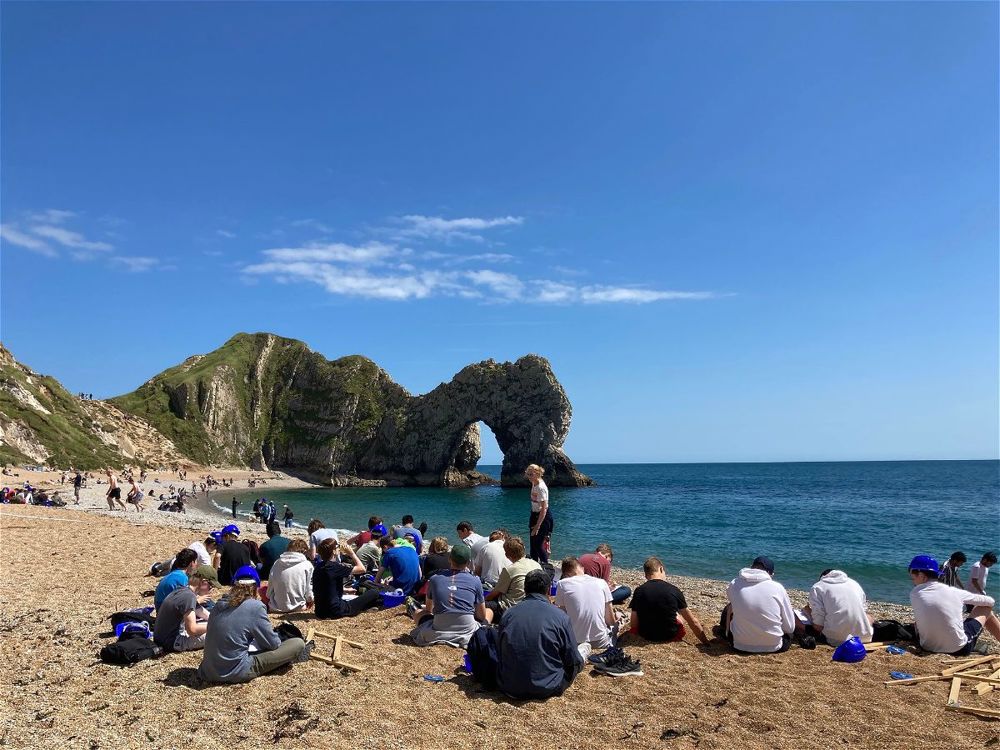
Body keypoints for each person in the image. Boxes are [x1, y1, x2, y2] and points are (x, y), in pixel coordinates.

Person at [197, 566, 306, 684]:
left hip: (207, 671)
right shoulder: (255, 607)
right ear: (254, 587)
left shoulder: (220, 604)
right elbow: (272, 644)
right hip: (235, 671)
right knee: (297, 643)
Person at [496, 570, 583, 699]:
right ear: (548, 590)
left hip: (510, 685)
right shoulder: (560, 617)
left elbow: (500, 650)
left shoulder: (509, 613)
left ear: (525, 589)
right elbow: (573, 659)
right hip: (547, 687)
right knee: (578, 656)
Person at [908, 555, 1000, 655]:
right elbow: (990, 601)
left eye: (913, 578)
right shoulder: (954, 592)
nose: (912, 581)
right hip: (958, 649)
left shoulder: (914, 593)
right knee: (985, 609)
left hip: (926, 646)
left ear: (921, 576)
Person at [408, 544, 487, 648]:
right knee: (488, 612)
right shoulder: (475, 580)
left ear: (450, 559)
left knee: (419, 612)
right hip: (467, 629)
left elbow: (429, 609)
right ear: (468, 563)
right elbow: (481, 616)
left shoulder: (434, 579)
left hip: (439, 628)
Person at [723, 556, 796, 654]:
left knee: (730, 607)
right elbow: (790, 627)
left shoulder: (734, 583)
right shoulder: (778, 588)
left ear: (751, 568)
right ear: (771, 574)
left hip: (740, 645)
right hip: (773, 646)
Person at [629, 556, 709, 645]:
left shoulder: (639, 590)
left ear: (646, 575)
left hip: (646, 634)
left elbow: (634, 616)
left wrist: (634, 633)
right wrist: (705, 642)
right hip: (669, 635)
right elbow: (693, 621)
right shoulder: (674, 590)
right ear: (661, 569)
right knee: (678, 613)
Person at [554, 556, 616, 656]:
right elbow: (610, 620)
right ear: (582, 568)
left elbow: (562, 617)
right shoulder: (601, 583)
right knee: (616, 624)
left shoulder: (562, 584)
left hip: (575, 640)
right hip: (600, 641)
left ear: (565, 574)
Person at [153, 565, 221, 652]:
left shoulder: (183, 589)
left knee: (211, 625)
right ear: (204, 582)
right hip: (171, 642)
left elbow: (201, 611)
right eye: (211, 586)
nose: (211, 590)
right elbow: (192, 629)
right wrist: (216, 625)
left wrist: (217, 620)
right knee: (218, 634)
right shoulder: (189, 597)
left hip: (162, 637)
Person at [313, 537, 381, 618]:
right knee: (375, 592)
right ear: (334, 551)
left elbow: (325, 585)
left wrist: (345, 589)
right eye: (337, 546)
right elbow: (362, 569)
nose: (339, 548)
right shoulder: (336, 567)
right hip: (336, 611)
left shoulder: (318, 567)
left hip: (320, 612)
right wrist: (351, 553)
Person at [806, 568, 874, 646]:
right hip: (864, 637)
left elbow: (818, 625)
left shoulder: (818, 587)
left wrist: (808, 612)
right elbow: (863, 610)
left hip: (836, 639)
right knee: (868, 616)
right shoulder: (854, 583)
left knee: (802, 617)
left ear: (822, 577)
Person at [484, 536, 541, 621]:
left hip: (510, 608)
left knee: (482, 606)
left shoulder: (509, 570)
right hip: (532, 604)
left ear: (507, 555)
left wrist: (485, 599)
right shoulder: (536, 565)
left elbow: (495, 593)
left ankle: (485, 624)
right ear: (523, 549)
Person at [266, 539, 314, 613]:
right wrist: (310, 600)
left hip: (276, 607)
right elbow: (309, 590)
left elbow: (269, 591)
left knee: (262, 589)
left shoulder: (277, 563)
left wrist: (268, 596)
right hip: (299, 606)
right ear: (304, 552)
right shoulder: (307, 565)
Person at [524, 464, 552, 563]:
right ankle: (534, 566)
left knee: (538, 545)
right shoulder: (534, 483)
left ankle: (546, 567)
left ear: (537, 474)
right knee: (533, 545)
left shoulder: (541, 487)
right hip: (534, 515)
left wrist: (537, 527)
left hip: (542, 517)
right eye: (528, 474)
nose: (529, 476)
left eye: (531, 474)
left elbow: (544, 509)